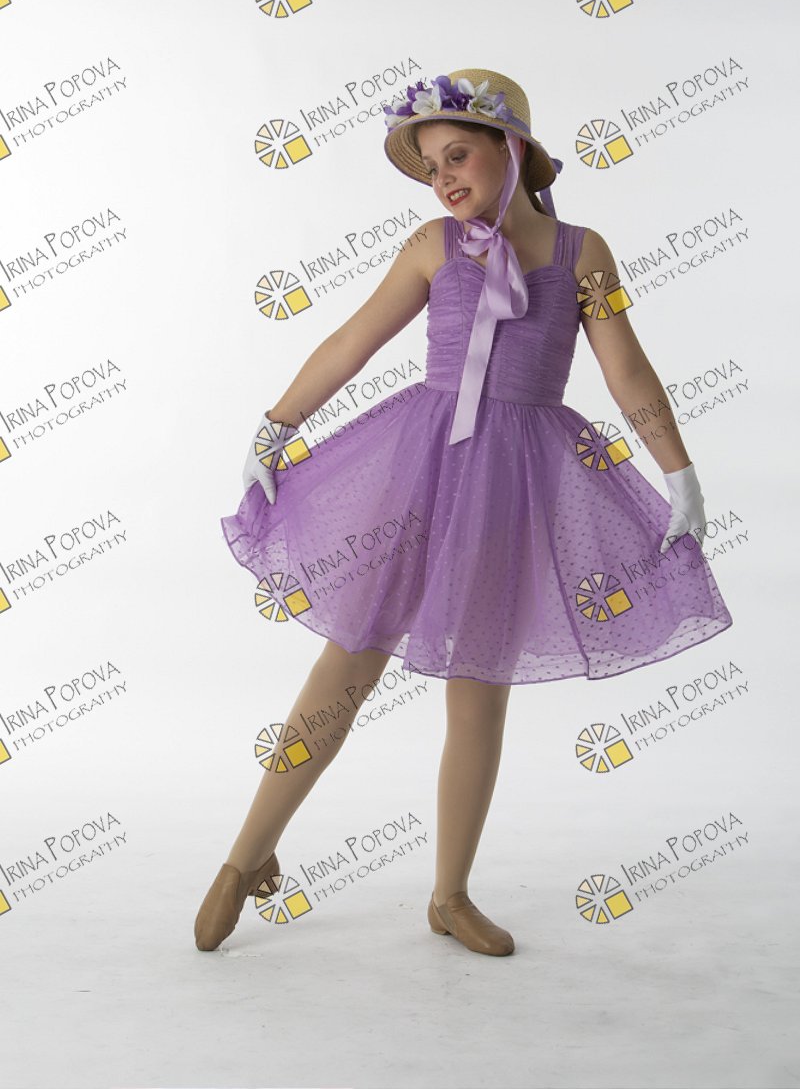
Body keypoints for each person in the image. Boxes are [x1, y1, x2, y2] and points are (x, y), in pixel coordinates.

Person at [194, 67, 733, 957]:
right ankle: (245, 856)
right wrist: (276, 425)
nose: (443, 177)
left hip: (514, 481)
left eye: (457, 155)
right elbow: (353, 339)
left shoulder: (582, 253)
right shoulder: (432, 245)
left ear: (510, 148)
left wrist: (679, 473)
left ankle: (449, 894)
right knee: (348, 664)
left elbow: (626, 367)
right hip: (416, 471)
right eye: (430, 165)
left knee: (478, 689)